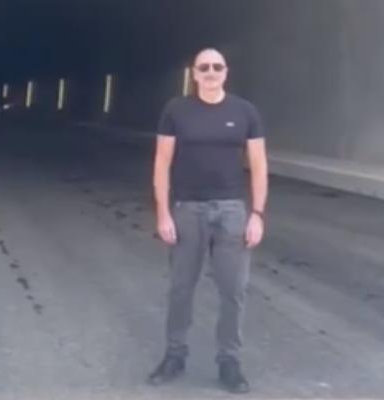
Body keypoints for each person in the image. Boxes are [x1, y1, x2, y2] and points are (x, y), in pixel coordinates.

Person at [148, 48, 268, 394]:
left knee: (233, 290)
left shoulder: (245, 111)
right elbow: (162, 162)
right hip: (188, 209)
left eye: (217, 66)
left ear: (226, 72)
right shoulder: (176, 110)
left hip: (232, 211)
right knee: (181, 288)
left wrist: (257, 214)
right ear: (194, 73)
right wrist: (163, 212)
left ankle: (229, 362)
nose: (211, 72)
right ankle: (174, 356)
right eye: (204, 67)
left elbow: (259, 164)